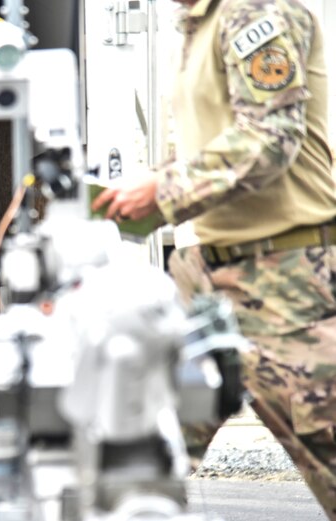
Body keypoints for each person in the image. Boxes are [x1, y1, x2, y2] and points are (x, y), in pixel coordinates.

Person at [92, 0, 336, 517]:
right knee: (141, 451)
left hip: (284, 280)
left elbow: (270, 136)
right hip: (206, 276)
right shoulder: (195, 25)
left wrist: (162, 192)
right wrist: (147, 189)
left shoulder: (254, 11)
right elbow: (208, 146)